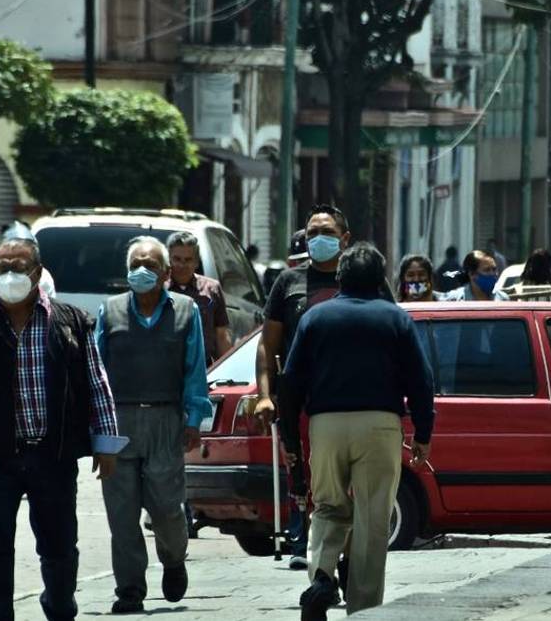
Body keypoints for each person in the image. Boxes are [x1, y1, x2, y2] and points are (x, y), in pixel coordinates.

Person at [0, 237, 125, 621]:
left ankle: (58, 607)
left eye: (17, 268)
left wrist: (105, 443)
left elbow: (96, 381)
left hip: (53, 455)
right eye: (1, 267)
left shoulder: (71, 322)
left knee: (59, 548)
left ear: (36, 274)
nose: (8, 276)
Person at [284, 243, 434, 619]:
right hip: (379, 425)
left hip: (327, 425)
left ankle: (321, 576)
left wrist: (290, 438)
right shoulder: (395, 318)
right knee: (371, 518)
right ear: (381, 278)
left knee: (328, 506)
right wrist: (423, 432)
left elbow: (292, 382)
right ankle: (364, 608)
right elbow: (420, 380)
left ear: (340, 277)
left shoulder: (315, 318)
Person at [94, 236, 209, 614]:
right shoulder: (108, 312)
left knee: (167, 508)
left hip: (165, 419)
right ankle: (129, 589)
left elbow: (194, 370)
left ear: (165, 273)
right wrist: (96, 430)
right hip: (118, 422)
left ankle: (174, 559)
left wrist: (193, 419)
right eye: (136, 264)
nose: (143, 270)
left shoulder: (185, 310)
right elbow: (95, 373)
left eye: (151, 265)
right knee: (122, 514)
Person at [254, 206, 352, 570]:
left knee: (351, 484)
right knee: (308, 480)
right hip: (303, 403)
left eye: (325, 232)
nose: (317, 240)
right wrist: (265, 395)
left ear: (345, 238)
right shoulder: (288, 282)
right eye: (311, 233)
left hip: (354, 401)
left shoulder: (360, 279)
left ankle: (346, 555)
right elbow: (268, 344)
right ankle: (314, 554)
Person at [166, 232, 233, 365]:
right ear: (169, 260)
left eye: (188, 260)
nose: (182, 265)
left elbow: (221, 335)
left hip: (203, 368)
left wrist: (226, 369)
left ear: (196, 262)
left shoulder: (211, 289)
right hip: (168, 368)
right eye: (177, 259)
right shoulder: (159, 290)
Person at [0, 222, 57, 302]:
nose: (10, 277)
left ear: (38, 273)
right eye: (3, 267)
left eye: (19, 268)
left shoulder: (45, 278)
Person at [443, 250, 511, 301]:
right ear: (472, 274)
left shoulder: (503, 300)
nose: (493, 274)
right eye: (487, 270)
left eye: (494, 269)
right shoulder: (455, 300)